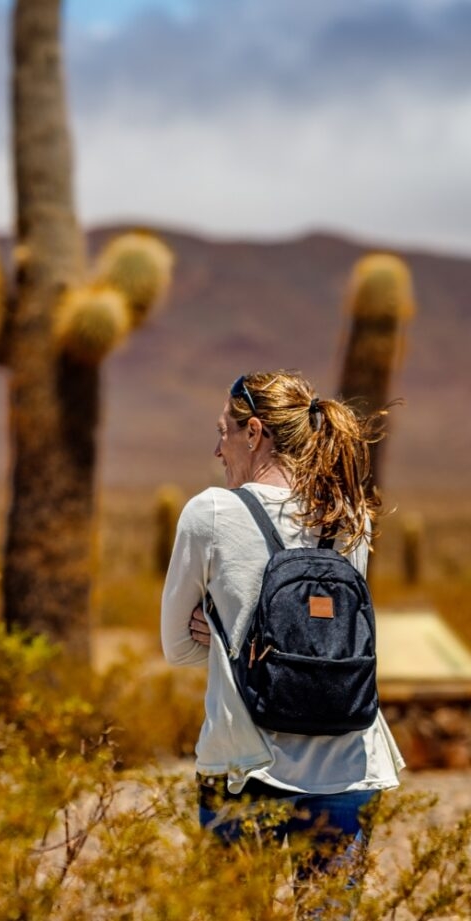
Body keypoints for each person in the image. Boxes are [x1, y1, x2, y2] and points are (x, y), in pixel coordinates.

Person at [161, 370, 404, 916]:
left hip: (246, 765)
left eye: (222, 431)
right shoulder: (349, 516)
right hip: (350, 765)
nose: (216, 449)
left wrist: (226, 641)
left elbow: (176, 646)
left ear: (253, 432)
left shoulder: (211, 513)